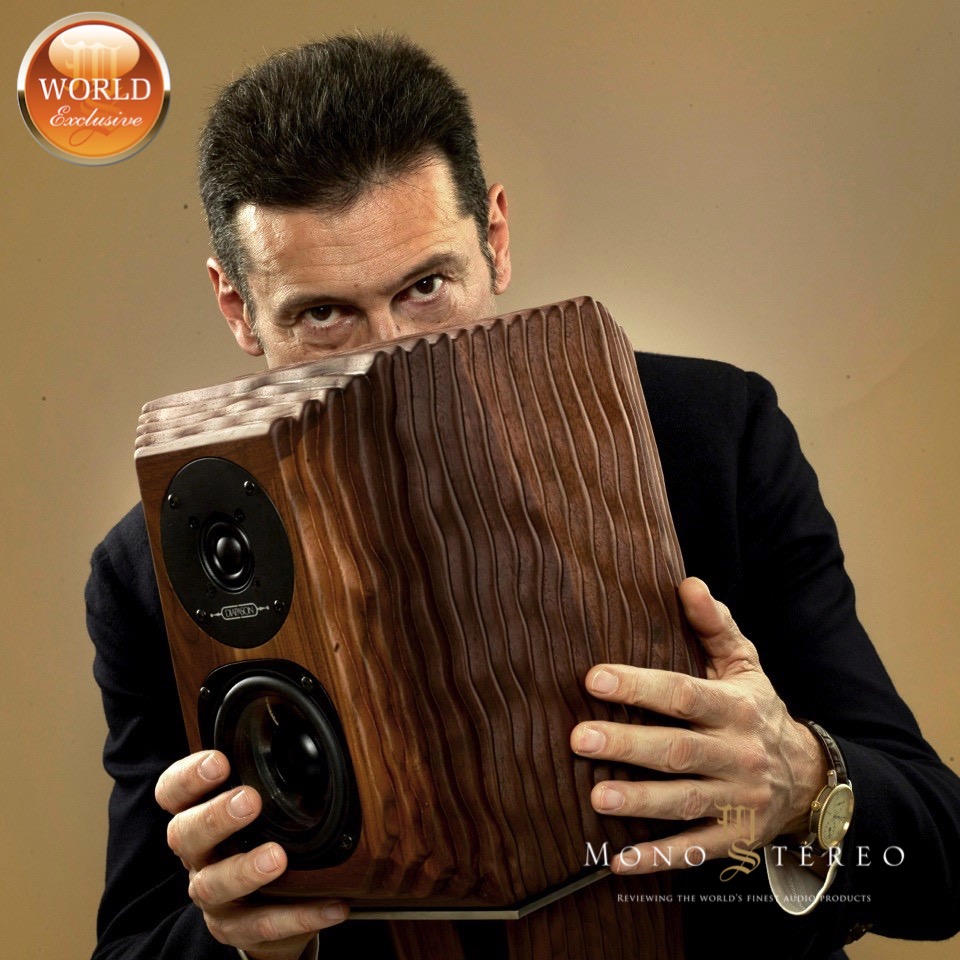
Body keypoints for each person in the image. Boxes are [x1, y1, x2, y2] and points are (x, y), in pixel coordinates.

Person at [88, 33, 960, 960]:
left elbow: (942, 864)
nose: (390, 358)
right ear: (237, 307)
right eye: (324, 314)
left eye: (426, 287)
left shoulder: (715, 438)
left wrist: (804, 781)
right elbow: (136, 942)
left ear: (494, 240)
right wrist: (242, 944)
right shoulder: (150, 565)